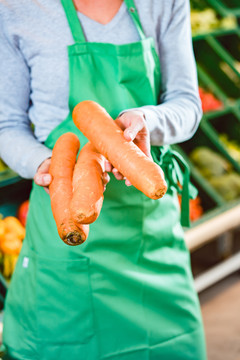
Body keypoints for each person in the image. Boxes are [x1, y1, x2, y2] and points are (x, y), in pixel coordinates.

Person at [0, 0, 207, 359]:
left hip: (149, 224)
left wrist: (146, 120)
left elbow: (187, 104)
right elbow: (6, 125)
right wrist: (55, 168)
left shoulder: (165, 3)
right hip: (63, 222)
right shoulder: (16, 9)